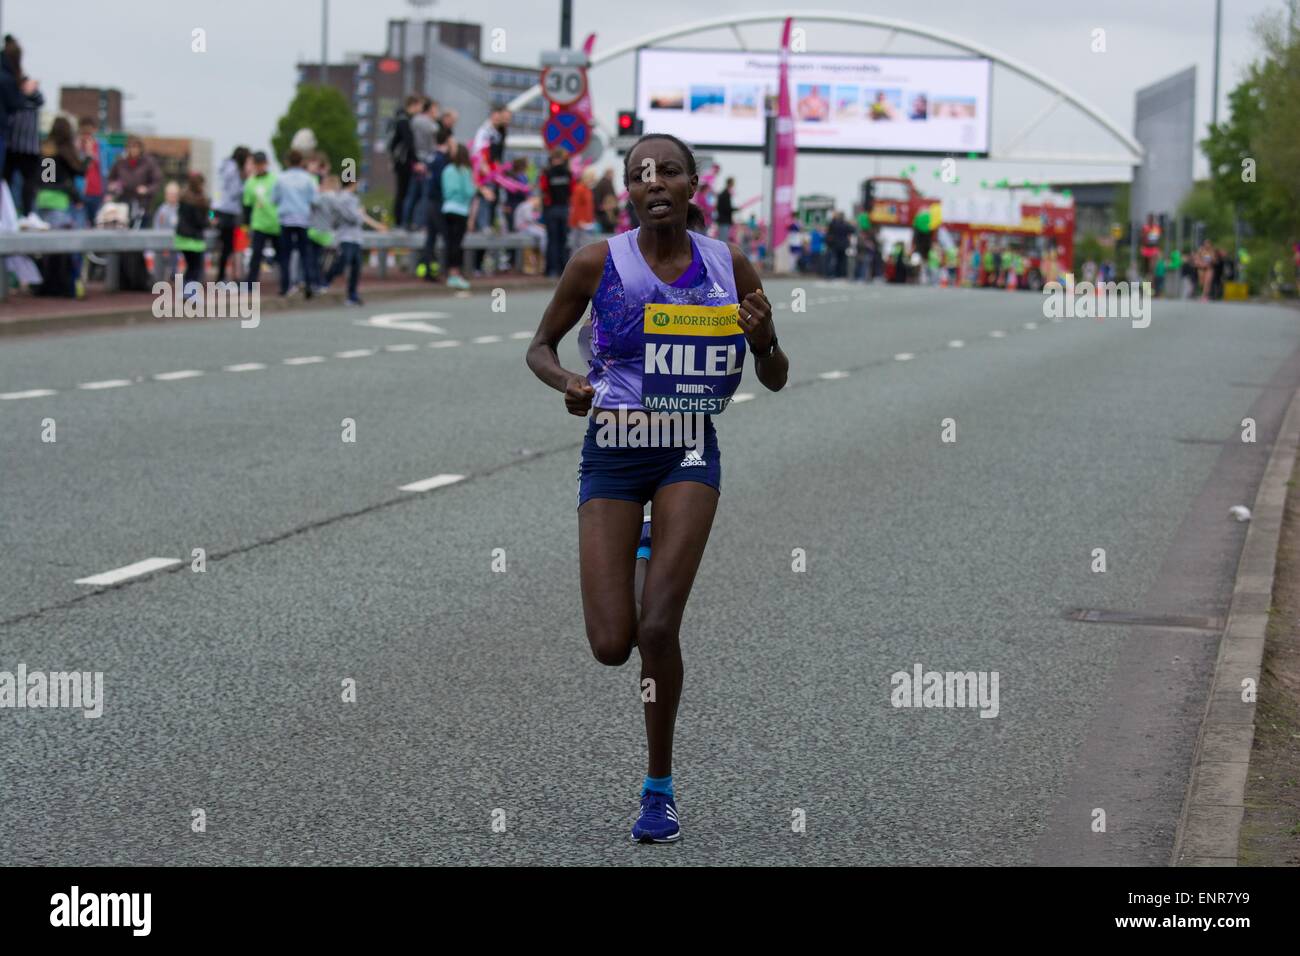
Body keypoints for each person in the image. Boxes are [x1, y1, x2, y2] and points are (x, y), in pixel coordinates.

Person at [525, 132, 788, 845]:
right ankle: (640, 537)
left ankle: (659, 788)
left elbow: (776, 376)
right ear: (628, 194)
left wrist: (763, 340)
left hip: (688, 450)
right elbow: (538, 349)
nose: (655, 182)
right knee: (612, 643)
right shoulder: (594, 263)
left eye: (669, 170)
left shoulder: (728, 265)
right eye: (641, 175)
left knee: (658, 627)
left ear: (694, 186)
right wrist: (571, 384)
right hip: (613, 451)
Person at [323, 175, 387, 306]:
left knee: (356, 267)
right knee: (343, 263)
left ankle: (352, 294)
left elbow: (360, 216)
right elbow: (355, 217)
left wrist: (377, 226)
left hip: (355, 237)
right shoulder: (344, 198)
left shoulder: (352, 198)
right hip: (346, 237)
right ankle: (324, 281)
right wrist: (360, 215)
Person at [2, 37, 43, 219]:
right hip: (18, 144)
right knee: (17, 181)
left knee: (19, 181)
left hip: (22, 145)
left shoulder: (51, 157)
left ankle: (24, 213)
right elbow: (51, 179)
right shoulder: (52, 156)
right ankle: (21, 214)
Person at [271, 149, 319, 297]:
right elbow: (315, 200)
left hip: (286, 219)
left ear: (287, 162)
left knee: (285, 255)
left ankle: (285, 286)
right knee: (305, 254)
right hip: (303, 219)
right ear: (301, 162)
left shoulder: (281, 178)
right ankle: (309, 284)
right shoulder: (308, 179)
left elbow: (273, 199)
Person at [440, 142, 475, 290]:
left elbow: (446, 190)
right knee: (457, 243)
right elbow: (469, 191)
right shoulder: (465, 171)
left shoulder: (447, 170)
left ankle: (449, 273)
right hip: (461, 210)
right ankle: (455, 274)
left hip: (448, 208)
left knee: (449, 242)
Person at [212, 146, 249, 282]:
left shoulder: (224, 166)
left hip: (216, 210)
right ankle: (223, 277)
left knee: (224, 246)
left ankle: (223, 275)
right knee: (229, 246)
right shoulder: (234, 171)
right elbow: (234, 192)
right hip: (229, 212)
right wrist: (245, 184)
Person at [242, 152, 279, 287]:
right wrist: (246, 225)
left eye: (262, 164)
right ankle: (250, 284)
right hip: (259, 224)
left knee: (281, 255)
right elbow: (247, 206)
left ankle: (285, 282)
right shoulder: (250, 182)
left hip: (275, 223)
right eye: (257, 164)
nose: (260, 167)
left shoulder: (275, 180)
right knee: (255, 255)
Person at [106, 137, 161, 224]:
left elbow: (157, 181)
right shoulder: (120, 162)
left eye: (136, 147)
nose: (134, 150)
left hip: (143, 203)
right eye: (131, 147)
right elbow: (111, 178)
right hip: (123, 203)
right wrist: (113, 186)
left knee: (141, 229)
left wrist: (147, 189)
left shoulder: (149, 162)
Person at [388, 94, 422, 226]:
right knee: (403, 191)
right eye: (419, 106)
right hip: (403, 162)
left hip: (400, 161)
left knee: (402, 191)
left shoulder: (400, 119)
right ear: (413, 105)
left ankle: (401, 220)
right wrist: (417, 161)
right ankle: (400, 221)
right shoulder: (404, 121)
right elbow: (409, 142)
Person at [175, 172, 210, 297]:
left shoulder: (183, 198)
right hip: (194, 240)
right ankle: (190, 293)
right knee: (196, 268)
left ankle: (185, 290)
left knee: (189, 266)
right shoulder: (200, 201)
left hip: (182, 239)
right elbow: (202, 221)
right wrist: (211, 220)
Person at [539, 147, 572, 277]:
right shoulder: (568, 173)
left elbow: (543, 190)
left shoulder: (546, 173)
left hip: (551, 209)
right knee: (563, 240)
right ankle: (562, 268)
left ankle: (551, 270)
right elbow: (571, 191)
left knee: (552, 240)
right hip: (564, 209)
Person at [75, 118, 105, 229]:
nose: (87, 137)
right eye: (84, 133)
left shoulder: (101, 147)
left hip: (96, 192)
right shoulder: (74, 149)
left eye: (89, 134)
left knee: (96, 225)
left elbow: (105, 169)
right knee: (80, 226)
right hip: (78, 194)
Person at [152, 181, 182, 281]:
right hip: (163, 239)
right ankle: (159, 276)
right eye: (170, 194)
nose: (172, 197)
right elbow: (157, 225)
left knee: (175, 255)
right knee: (161, 254)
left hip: (178, 238)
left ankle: (174, 273)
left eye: (175, 195)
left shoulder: (181, 209)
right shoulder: (162, 210)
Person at [570, 167, 596, 241]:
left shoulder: (587, 189)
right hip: (580, 222)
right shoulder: (579, 189)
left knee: (585, 243)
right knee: (579, 244)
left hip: (587, 222)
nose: (593, 180)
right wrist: (579, 220)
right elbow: (575, 205)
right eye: (592, 178)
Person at [593, 167, 617, 234]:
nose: (613, 176)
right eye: (612, 174)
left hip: (606, 208)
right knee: (608, 229)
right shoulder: (605, 183)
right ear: (608, 174)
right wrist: (602, 206)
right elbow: (598, 197)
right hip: (605, 209)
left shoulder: (603, 182)